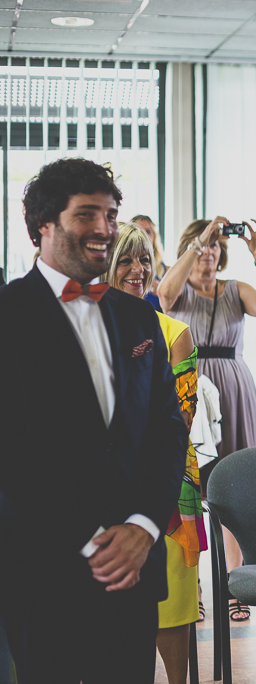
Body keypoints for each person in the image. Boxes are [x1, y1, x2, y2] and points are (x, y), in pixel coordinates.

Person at [0, 157, 188, 681]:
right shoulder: (8, 316)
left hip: (135, 566)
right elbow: (12, 453)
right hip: (45, 565)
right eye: (87, 214)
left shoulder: (138, 317)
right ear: (43, 224)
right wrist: (92, 539)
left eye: (110, 214)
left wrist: (143, 527)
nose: (104, 229)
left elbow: (166, 430)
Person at [158, 216, 256, 621]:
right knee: (193, 488)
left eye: (214, 246)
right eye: (202, 246)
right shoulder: (179, 286)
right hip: (190, 385)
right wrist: (198, 240)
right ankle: (196, 588)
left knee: (230, 493)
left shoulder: (233, 290)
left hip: (234, 387)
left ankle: (231, 585)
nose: (209, 252)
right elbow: (163, 295)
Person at [106, 223, 207, 684]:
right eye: (126, 260)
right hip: (105, 490)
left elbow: (180, 420)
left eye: (144, 260)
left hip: (167, 486)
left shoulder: (174, 331)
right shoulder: (87, 326)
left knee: (174, 607)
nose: (137, 270)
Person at [132, 213, 166, 311]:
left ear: (154, 237)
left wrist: (162, 291)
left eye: (147, 232)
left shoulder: (167, 271)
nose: (143, 236)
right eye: (139, 231)